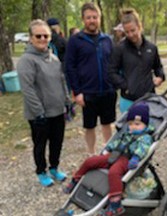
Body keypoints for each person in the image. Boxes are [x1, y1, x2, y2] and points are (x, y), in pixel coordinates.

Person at [64, 103, 154, 216]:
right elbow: (116, 142)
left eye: (137, 124)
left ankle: (116, 204)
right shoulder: (126, 132)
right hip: (115, 155)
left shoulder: (145, 137)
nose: (133, 126)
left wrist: (136, 158)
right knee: (90, 161)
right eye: (130, 124)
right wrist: (109, 148)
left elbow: (143, 148)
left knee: (114, 172)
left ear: (145, 124)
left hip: (128, 159)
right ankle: (75, 180)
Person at [17, 19, 69, 187]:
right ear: (31, 38)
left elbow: (62, 81)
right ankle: (41, 171)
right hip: (39, 114)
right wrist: (39, 112)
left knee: (57, 142)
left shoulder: (53, 58)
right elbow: (28, 89)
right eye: (38, 36)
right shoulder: (27, 60)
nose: (42, 39)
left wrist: (66, 101)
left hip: (58, 110)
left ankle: (54, 167)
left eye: (45, 35)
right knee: (40, 144)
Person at [65, 2, 117, 154]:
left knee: (107, 124)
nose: (92, 20)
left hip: (107, 90)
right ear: (83, 19)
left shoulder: (107, 40)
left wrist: (115, 83)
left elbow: (114, 63)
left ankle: (108, 152)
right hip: (87, 92)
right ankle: (91, 154)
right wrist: (77, 91)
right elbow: (70, 67)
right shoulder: (75, 41)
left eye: (95, 17)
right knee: (89, 126)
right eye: (88, 18)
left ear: (99, 18)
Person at [108, 8, 165, 113]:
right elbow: (111, 72)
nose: (130, 35)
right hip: (128, 100)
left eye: (133, 30)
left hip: (149, 98)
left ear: (139, 26)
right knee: (128, 129)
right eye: (127, 32)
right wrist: (126, 85)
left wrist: (160, 76)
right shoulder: (120, 48)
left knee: (150, 128)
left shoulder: (152, 48)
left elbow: (158, 67)